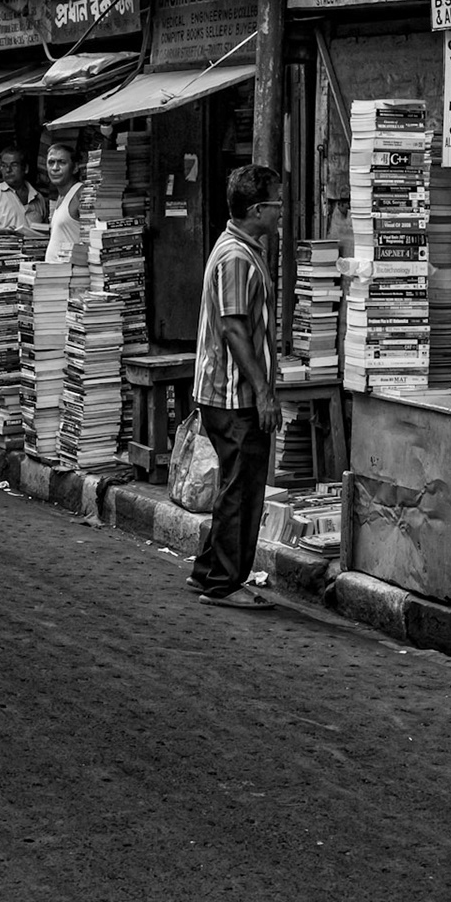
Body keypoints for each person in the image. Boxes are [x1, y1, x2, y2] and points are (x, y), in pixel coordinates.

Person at [186, 164, 282, 610]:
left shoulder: (240, 249)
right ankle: (224, 583)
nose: (281, 211)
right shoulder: (237, 257)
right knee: (243, 489)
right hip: (233, 393)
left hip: (228, 391)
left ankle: (208, 570)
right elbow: (234, 328)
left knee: (234, 484)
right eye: (276, 203)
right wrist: (263, 391)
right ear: (257, 209)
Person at [0, 146, 49, 236]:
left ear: (25, 168)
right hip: (2, 244)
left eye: (14, 165)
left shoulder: (38, 198)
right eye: (4, 166)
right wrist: (4, 232)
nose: (8, 170)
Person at [43, 141, 86, 264]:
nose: (55, 168)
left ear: (75, 167)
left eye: (62, 162)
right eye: (51, 162)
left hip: (72, 272)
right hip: (56, 272)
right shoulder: (60, 196)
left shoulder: (80, 194)